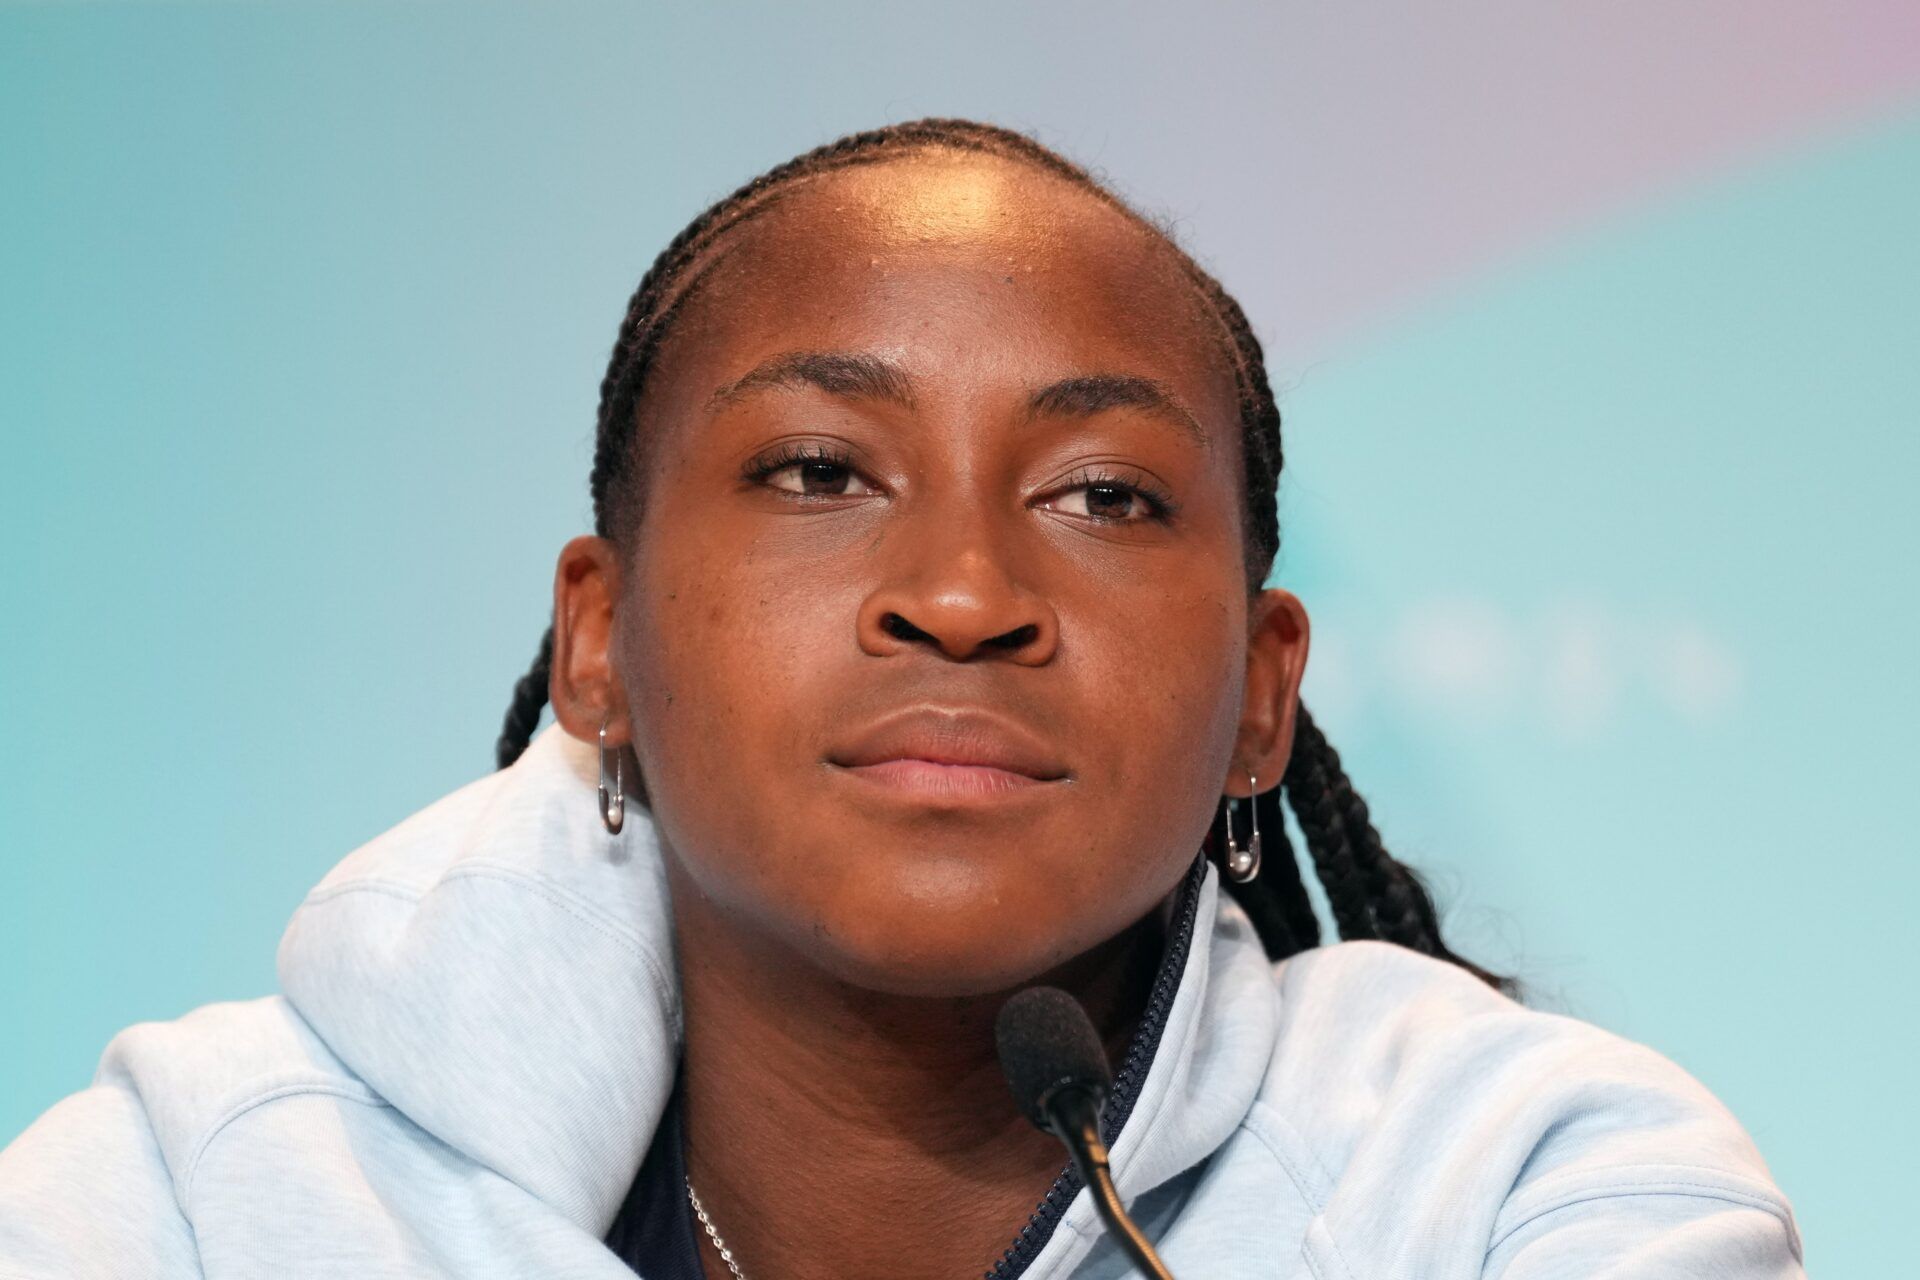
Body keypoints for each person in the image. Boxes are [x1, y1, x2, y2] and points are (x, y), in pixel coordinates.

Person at [0, 119, 1805, 1279]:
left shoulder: (1532, 1193)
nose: (960, 596)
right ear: (600, 644)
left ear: (1264, 700)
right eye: (814, 470)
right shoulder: (186, 1202)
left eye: (1102, 496)